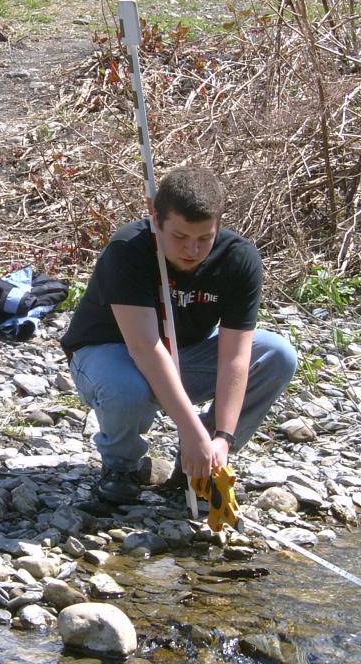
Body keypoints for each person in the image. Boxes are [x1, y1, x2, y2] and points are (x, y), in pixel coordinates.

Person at [61, 166, 297, 504]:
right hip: (111, 354)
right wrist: (189, 430)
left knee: (277, 354)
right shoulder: (129, 249)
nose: (192, 250)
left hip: (186, 354)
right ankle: (122, 468)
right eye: (180, 237)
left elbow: (235, 358)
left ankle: (200, 466)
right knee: (128, 388)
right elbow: (145, 349)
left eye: (204, 238)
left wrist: (220, 438)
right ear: (155, 218)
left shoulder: (238, 259)